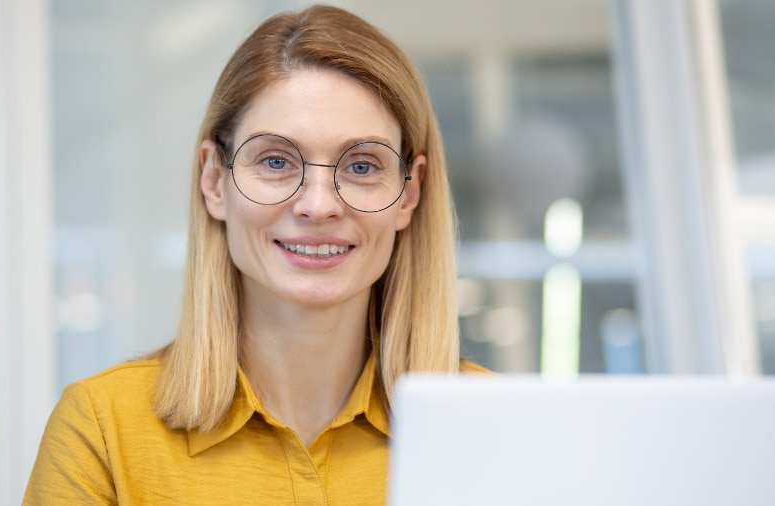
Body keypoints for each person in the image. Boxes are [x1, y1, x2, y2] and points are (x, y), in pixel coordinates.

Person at [24, 4, 485, 504]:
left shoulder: (495, 425)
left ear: (410, 193)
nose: (318, 205)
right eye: (275, 160)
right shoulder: (102, 428)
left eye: (361, 166)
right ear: (214, 180)